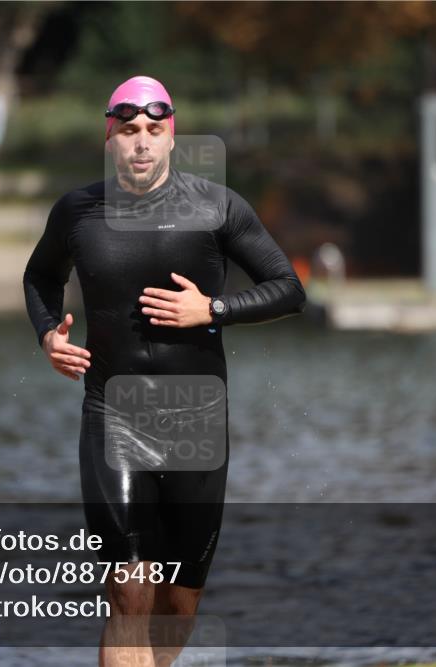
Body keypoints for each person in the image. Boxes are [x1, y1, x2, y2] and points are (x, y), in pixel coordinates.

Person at [22, 75, 306, 666]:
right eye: (129, 130)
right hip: (111, 413)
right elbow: (40, 276)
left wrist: (213, 309)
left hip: (196, 422)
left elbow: (288, 288)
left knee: (179, 601)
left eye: (154, 129)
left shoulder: (217, 207)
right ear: (109, 139)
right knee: (129, 590)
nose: (142, 141)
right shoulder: (77, 211)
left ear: (172, 136)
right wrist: (49, 335)